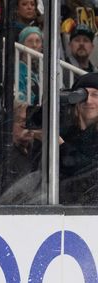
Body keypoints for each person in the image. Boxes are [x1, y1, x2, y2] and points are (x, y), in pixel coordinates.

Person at [0, 101, 41, 204]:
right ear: (9, 124)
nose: (28, 126)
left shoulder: (37, 152)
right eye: (22, 121)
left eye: (30, 121)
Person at [59, 72, 98, 203]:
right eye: (82, 94)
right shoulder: (67, 131)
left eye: (95, 95)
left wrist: (59, 145)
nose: (88, 100)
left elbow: (88, 173)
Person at [17, 26, 42, 105]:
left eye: (38, 41)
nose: (34, 45)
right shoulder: (17, 69)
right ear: (22, 44)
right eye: (30, 41)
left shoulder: (45, 68)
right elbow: (19, 97)